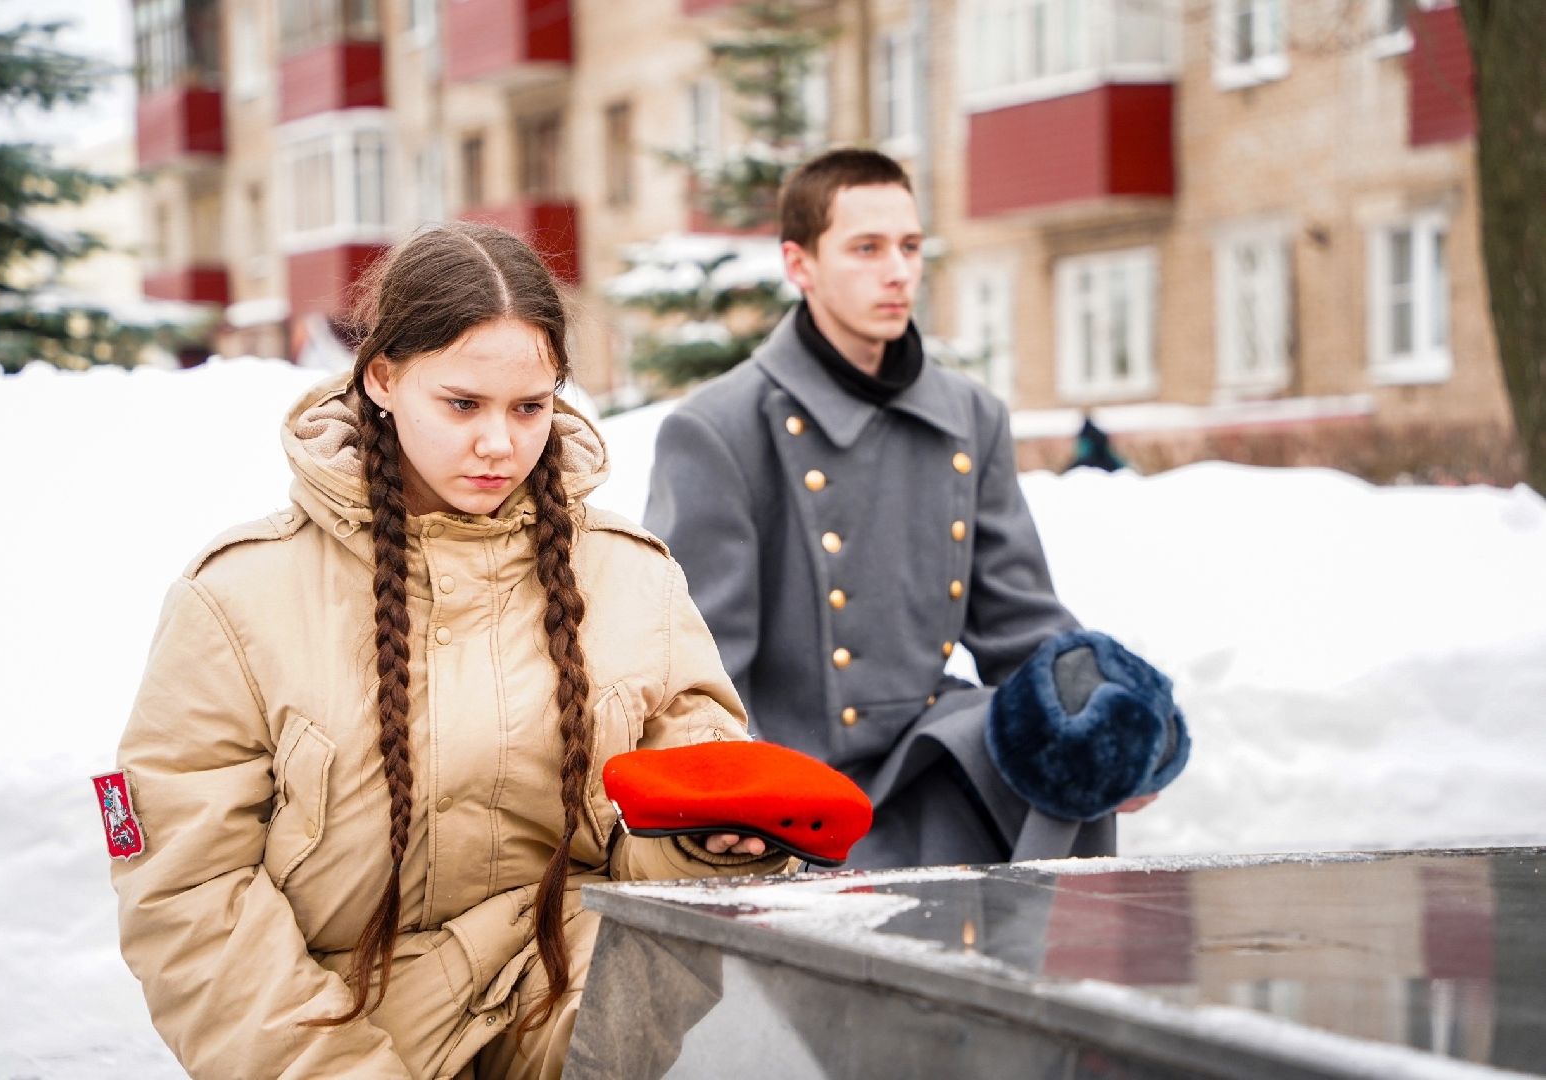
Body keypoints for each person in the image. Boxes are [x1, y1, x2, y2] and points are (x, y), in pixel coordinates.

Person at [108, 222, 789, 1080]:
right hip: (340, 1035)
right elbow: (189, 896)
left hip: (579, 1002)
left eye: (529, 407)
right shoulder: (237, 599)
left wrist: (711, 837)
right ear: (385, 378)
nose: (499, 444)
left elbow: (662, 838)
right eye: (463, 404)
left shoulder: (631, 579)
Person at [644, 149, 1166, 870]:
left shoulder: (968, 416)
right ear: (800, 265)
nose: (897, 271)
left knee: (1068, 777)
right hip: (790, 786)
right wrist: (738, 798)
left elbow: (1019, 624)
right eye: (865, 248)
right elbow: (699, 670)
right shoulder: (718, 428)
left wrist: (1109, 721)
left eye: (909, 247)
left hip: (924, 763)